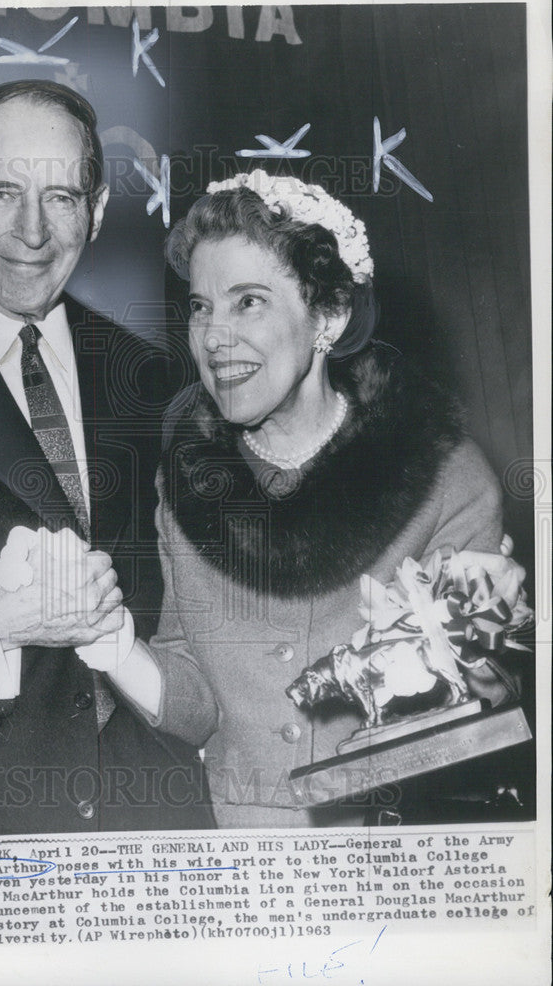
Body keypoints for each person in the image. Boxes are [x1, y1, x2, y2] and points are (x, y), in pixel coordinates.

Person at [103, 170, 519, 829]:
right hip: (241, 874)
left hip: (390, 868)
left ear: (328, 316)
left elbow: (481, 714)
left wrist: (453, 662)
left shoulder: (444, 478)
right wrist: (112, 645)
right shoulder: (182, 484)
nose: (212, 337)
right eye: (200, 305)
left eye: (248, 302)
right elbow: (197, 702)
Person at [0, 80, 214, 837]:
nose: (31, 231)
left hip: (153, 827)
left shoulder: (157, 386)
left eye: (60, 197)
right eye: (2, 190)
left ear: (94, 215)